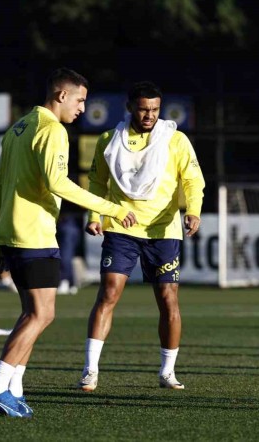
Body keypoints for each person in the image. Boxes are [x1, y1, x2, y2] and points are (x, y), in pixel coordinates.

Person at [0, 68, 136, 418]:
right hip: (34, 233)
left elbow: (0, 185)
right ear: (61, 95)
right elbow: (58, 183)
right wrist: (111, 208)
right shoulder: (53, 130)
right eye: (80, 99)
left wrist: (2, 237)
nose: (82, 108)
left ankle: (14, 389)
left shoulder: (18, 127)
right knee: (42, 314)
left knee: (33, 313)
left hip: (16, 232)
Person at [76, 81, 205, 392]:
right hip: (122, 227)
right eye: (144, 109)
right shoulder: (109, 139)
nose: (150, 115)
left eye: (155, 109)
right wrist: (95, 216)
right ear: (130, 107)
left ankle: (167, 371)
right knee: (108, 293)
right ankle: (90, 370)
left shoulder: (175, 139)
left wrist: (194, 211)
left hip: (163, 231)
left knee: (167, 298)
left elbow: (192, 179)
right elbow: (97, 183)